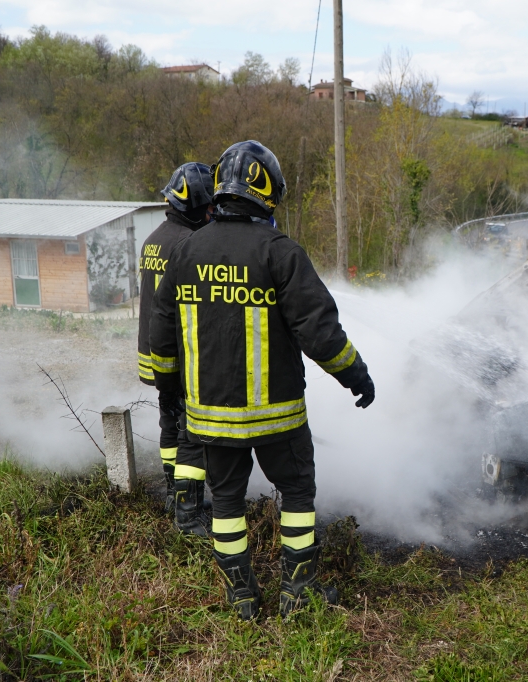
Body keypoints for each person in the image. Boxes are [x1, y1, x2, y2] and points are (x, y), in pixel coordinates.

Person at [150, 140, 375, 620]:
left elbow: (162, 330)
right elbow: (321, 332)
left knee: (226, 502)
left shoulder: (186, 251)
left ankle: (242, 597)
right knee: (295, 493)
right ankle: (298, 590)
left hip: (210, 417)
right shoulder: (280, 252)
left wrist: (171, 393)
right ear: (267, 191)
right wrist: (356, 376)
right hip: (279, 418)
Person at [137, 161, 214, 536]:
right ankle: (189, 508)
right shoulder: (188, 244)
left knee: (169, 424)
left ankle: (171, 491)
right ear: (198, 205)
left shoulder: (154, 239)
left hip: (154, 355)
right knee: (191, 435)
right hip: (181, 358)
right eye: (210, 207)